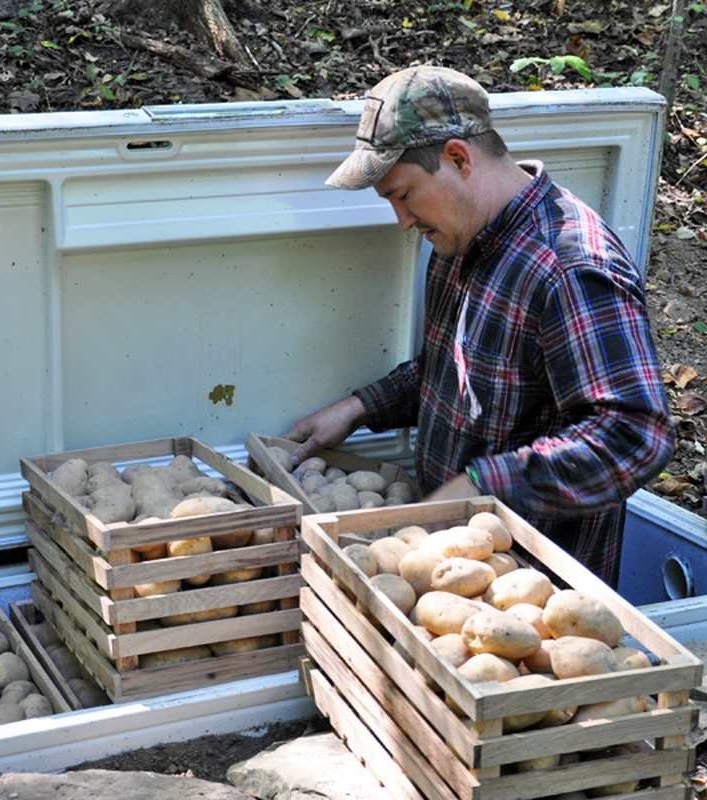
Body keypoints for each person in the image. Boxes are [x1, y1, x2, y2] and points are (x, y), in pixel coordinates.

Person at [285, 65, 675, 587]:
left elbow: (633, 435)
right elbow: (457, 368)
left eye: (403, 195)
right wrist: (361, 407)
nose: (402, 221)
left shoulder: (570, 268)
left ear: (458, 157)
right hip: (446, 567)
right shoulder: (461, 237)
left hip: (533, 590)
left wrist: (483, 484)